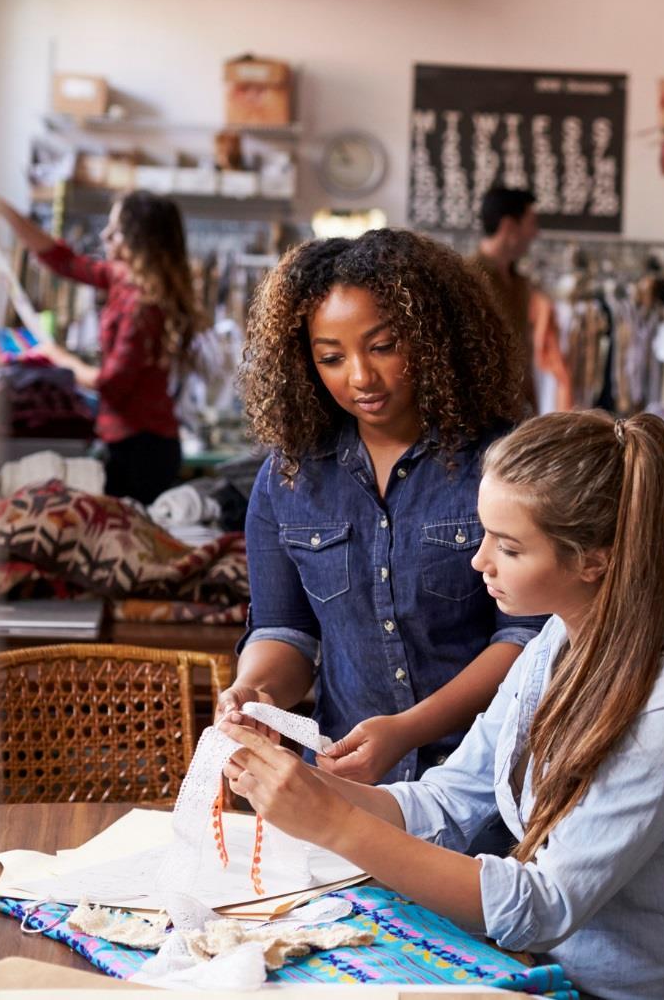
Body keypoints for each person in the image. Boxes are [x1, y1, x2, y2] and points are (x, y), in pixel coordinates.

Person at [221, 409, 664, 1000]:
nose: (479, 562)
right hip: (551, 978)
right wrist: (298, 782)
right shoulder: (554, 644)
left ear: (595, 560)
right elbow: (446, 800)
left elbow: (546, 903)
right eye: (484, 533)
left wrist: (332, 822)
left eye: (510, 547)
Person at [218, 228, 546, 786]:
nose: (360, 378)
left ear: (433, 336)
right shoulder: (291, 476)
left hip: (485, 784)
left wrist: (407, 730)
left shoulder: (502, 462)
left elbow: (529, 639)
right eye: (331, 357)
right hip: (347, 785)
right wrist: (258, 692)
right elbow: (286, 630)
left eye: (383, 347)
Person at [0, 190, 206, 504]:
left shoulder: (142, 307)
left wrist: (60, 358)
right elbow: (63, 260)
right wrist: (3, 209)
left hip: (144, 450)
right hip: (131, 443)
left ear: (138, 241)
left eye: (115, 231)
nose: (104, 235)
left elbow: (112, 384)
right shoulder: (122, 280)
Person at [470, 186, 539, 411]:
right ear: (510, 226)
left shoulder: (520, 282)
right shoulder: (467, 277)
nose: (535, 233)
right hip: (479, 414)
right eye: (531, 223)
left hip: (515, 412)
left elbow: (523, 351)